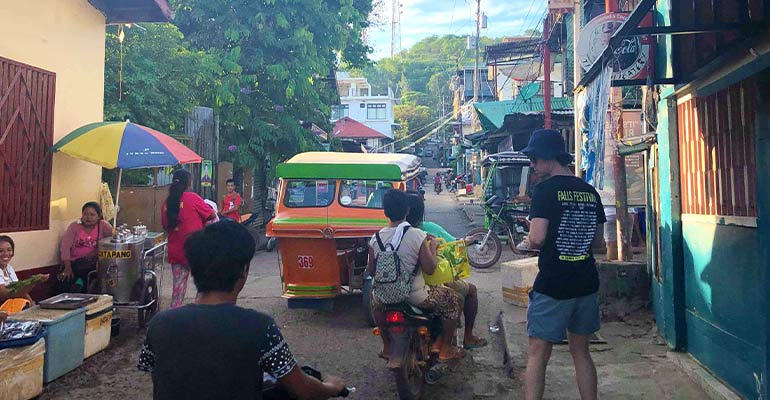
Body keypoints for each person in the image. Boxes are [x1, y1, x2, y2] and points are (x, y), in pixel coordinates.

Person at [138, 220, 346, 400]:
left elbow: (160, 377)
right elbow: (302, 389)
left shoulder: (159, 324)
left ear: (193, 270)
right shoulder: (260, 327)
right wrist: (332, 387)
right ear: (243, 272)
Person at [520, 129, 606, 400]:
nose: (532, 165)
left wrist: (528, 239)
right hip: (586, 283)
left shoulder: (544, 191)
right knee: (581, 352)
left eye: (533, 159)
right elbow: (598, 243)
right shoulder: (590, 192)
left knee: (537, 352)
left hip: (554, 285)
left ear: (548, 157)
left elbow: (537, 238)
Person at [368, 189, 464, 361]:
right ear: (407, 210)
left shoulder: (375, 239)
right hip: (415, 296)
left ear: (385, 212)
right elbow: (430, 268)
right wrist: (432, 247)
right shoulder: (417, 235)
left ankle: (388, 345)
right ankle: (446, 348)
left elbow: (372, 272)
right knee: (453, 301)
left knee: (374, 301)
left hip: (384, 297)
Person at [404, 192, 488, 350]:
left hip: (399, 287)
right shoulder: (425, 232)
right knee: (465, 295)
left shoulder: (388, 234)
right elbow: (432, 267)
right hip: (427, 284)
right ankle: (456, 341)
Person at [162, 169, 217, 308]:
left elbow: (165, 226)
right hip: (196, 251)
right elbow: (211, 216)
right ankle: (201, 313)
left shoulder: (166, 203)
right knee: (203, 287)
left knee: (178, 290)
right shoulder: (193, 198)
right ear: (188, 183)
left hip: (176, 252)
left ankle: (175, 317)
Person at [59, 202, 113, 292]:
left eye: (92, 215)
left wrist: (96, 252)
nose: (88, 217)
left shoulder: (103, 226)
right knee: (65, 279)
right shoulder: (74, 226)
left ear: (99, 216)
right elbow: (65, 247)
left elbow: (111, 241)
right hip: (74, 262)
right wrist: (67, 266)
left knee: (88, 273)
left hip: (94, 262)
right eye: (85, 214)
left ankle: (79, 286)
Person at [1, 235, 48, 311]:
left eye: (9, 250)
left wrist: (32, 305)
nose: (6, 254)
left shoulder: (9, 268)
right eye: (1, 251)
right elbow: (5, 294)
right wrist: (33, 282)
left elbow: (20, 290)